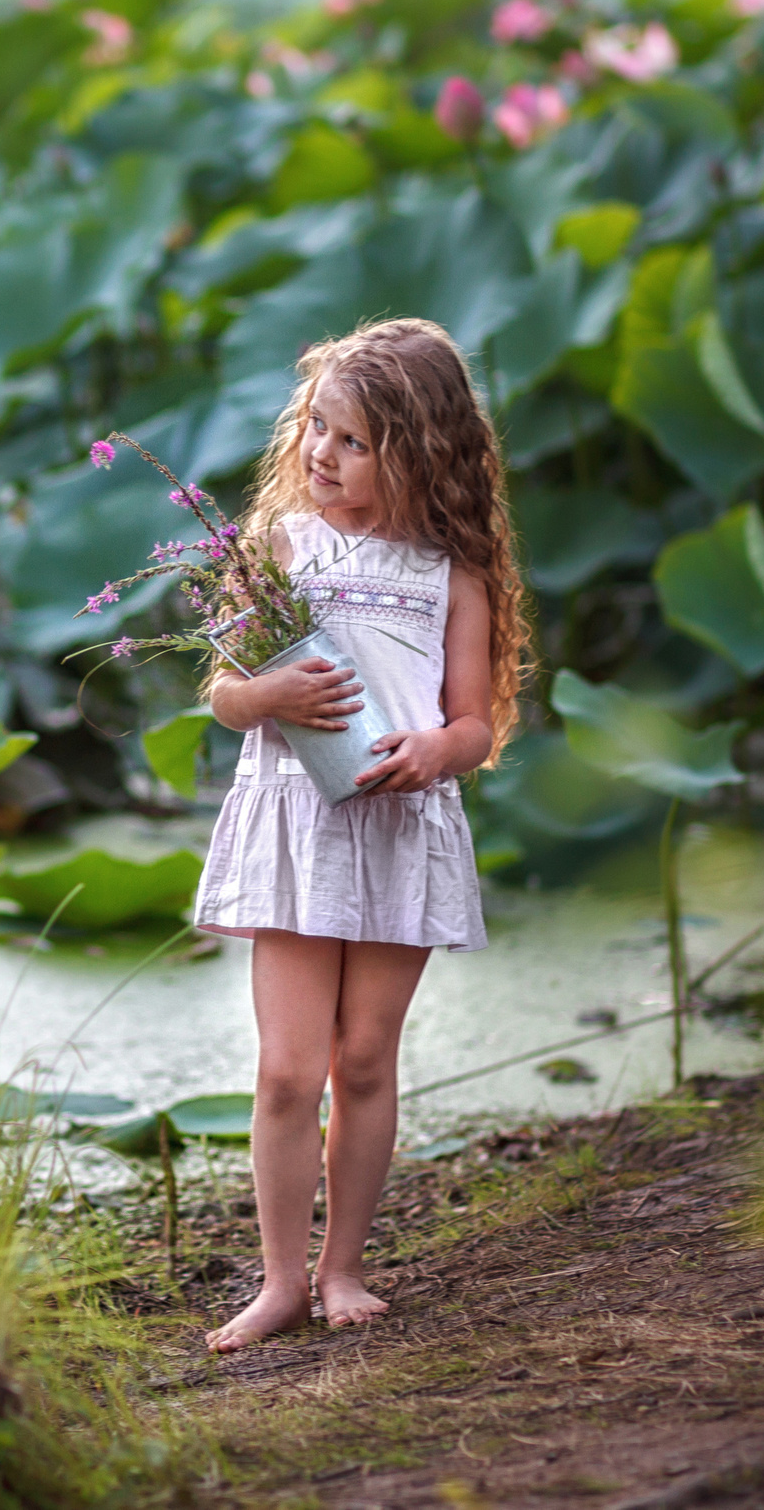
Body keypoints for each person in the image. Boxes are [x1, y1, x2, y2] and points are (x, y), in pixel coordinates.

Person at [195, 317, 528, 1353]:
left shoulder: (451, 574)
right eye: (315, 431)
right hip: (297, 824)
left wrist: (439, 750)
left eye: (349, 442)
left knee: (367, 1060)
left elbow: (473, 722)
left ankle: (344, 1270)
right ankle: (280, 1281)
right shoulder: (279, 548)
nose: (318, 456)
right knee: (289, 1069)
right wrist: (266, 695)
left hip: (398, 826)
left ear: (418, 453)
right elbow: (220, 695)